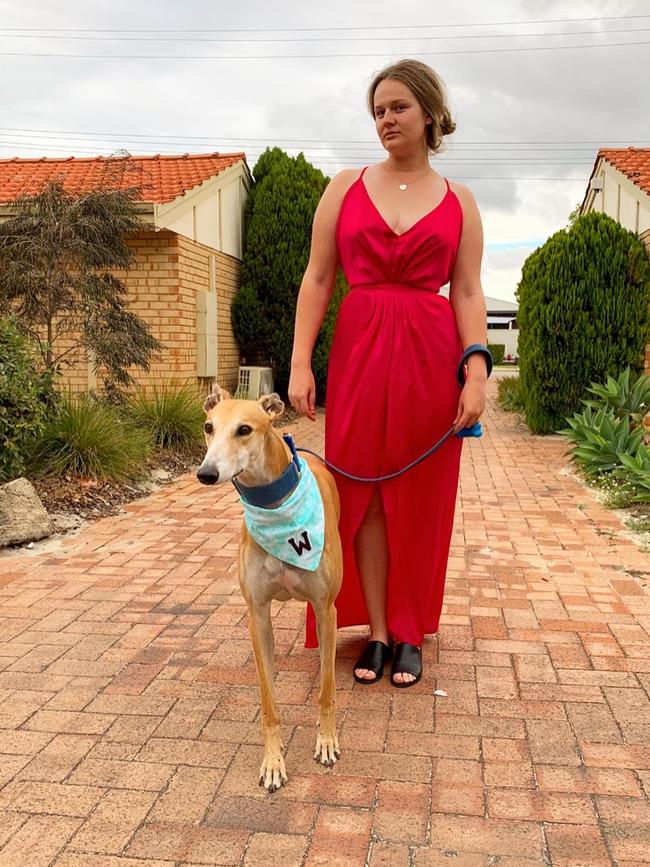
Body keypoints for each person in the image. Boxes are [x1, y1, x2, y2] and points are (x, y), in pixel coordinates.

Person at [288, 58, 489, 688]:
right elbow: (318, 277)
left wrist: (476, 373)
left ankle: (409, 631)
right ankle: (375, 631)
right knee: (363, 495)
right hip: (359, 352)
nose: (385, 120)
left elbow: (467, 292)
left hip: (430, 361)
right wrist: (300, 361)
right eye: (378, 110)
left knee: (419, 497)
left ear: (428, 112)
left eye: (398, 107)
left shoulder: (460, 200)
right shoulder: (345, 187)